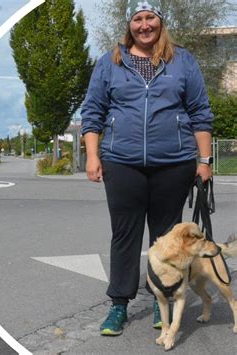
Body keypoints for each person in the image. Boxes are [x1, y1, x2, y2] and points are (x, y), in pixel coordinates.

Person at [80, 0, 213, 336]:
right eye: (137, 19)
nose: (144, 25)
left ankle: (162, 298)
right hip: (121, 162)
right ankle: (119, 305)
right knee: (124, 234)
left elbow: (200, 112)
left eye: (149, 18)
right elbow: (93, 112)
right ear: (130, 25)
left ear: (159, 21)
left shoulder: (182, 60)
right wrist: (93, 156)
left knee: (166, 236)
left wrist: (205, 160)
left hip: (174, 162)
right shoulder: (110, 62)